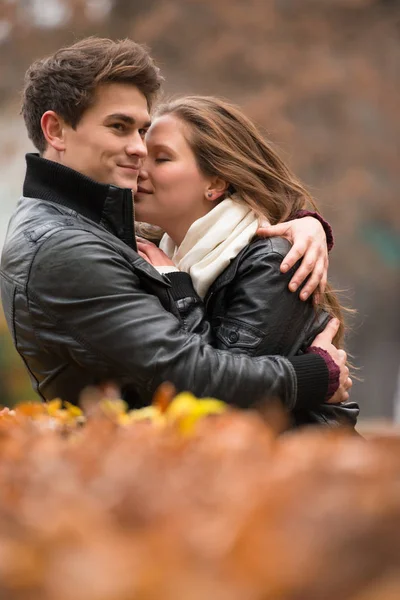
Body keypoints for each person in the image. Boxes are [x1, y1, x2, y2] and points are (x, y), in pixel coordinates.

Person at [0, 37, 351, 412]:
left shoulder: (101, 229)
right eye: (119, 127)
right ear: (55, 131)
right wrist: (316, 374)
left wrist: (304, 222)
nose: (138, 150)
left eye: (142, 133)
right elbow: (192, 375)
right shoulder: (64, 246)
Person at [134, 96, 358, 426]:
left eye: (162, 158)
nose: (139, 168)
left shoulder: (272, 264)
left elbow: (219, 398)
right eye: (142, 152)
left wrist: (177, 288)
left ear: (216, 183)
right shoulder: (155, 251)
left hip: (298, 465)